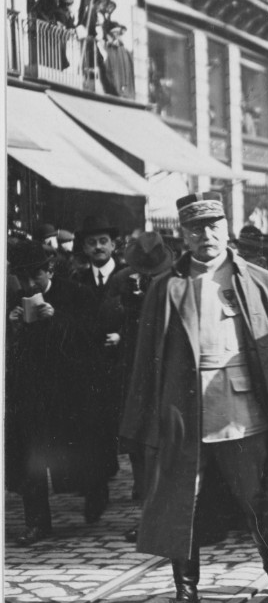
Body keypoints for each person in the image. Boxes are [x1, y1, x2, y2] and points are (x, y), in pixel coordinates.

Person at [120, 192, 268, 603]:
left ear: (227, 228)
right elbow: (146, 360)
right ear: (183, 235)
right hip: (184, 415)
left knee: (253, 497)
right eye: (196, 228)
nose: (206, 235)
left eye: (214, 225)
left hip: (241, 408)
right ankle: (186, 597)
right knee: (181, 504)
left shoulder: (257, 279)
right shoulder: (167, 286)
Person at [6, 241, 95, 545]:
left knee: (76, 452)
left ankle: (95, 492)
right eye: (23, 278)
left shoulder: (75, 293)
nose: (30, 285)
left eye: (36, 277)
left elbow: (89, 337)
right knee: (30, 455)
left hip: (67, 392)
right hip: (29, 391)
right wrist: (13, 326)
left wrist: (56, 319)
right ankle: (37, 523)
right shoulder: (13, 299)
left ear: (50, 269)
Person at [109, 232, 175, 543]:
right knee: (138, 441)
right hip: (132, 368)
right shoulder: (123, 280)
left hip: (166, 369)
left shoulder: (176, 281)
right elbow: (105, 315)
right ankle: (147, 512)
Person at [70, 215, 131, 524]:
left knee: (125, 429)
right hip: (88, 370)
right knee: (92, 430)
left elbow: (140, 316)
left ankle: (141, 491)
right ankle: (96, 491)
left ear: (113, 245)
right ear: (84, 247)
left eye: (103, 242)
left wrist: (122, 336)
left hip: (121, 366)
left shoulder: (127, 277)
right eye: (92, 243)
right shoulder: (77, 280)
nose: (98, 247)